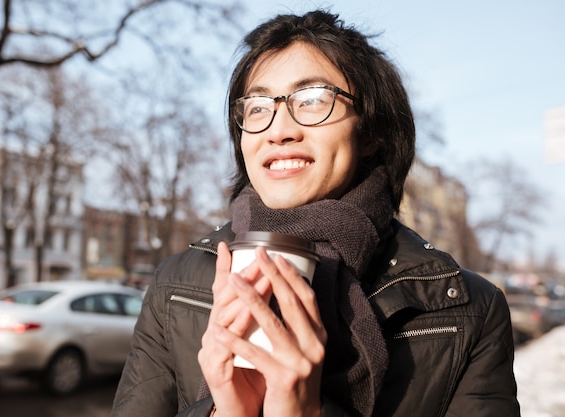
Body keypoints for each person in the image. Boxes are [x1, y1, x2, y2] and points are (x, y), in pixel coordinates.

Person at [110, 9, 520, 417]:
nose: (278, 129)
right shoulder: (174, 286)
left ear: (372, 132)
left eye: (312, 100)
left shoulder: (466, 310)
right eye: (257, 106)